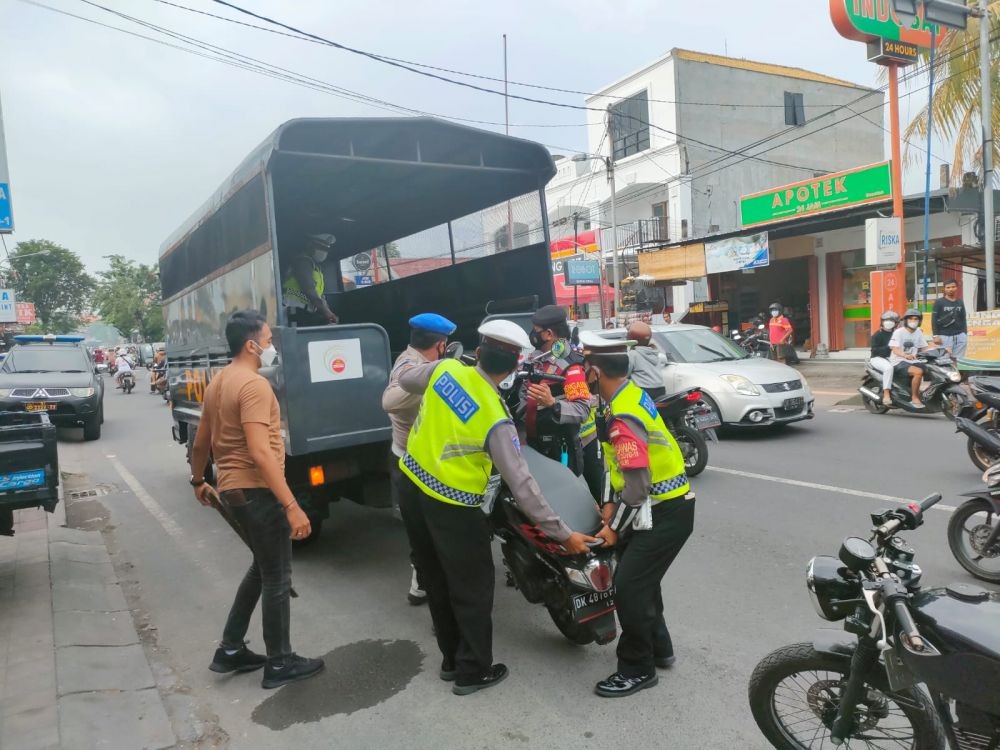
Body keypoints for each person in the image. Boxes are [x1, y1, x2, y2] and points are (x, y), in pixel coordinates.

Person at [396, 320, 598, 696]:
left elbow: (406, 382)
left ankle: (451, 660)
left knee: (435, 577)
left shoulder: (446, 369)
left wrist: (447, 363)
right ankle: (473, 671)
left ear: (478, 349)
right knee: (471, 587)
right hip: (453, 504)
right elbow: (524, 486)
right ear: (514, 363)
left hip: (411, 485)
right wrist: (563, 533)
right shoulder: (494, 417)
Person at [189, 311, 324, 689]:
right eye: (267, 340)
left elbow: (201, 441)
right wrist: (291, 505)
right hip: (257, 491)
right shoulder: (253, 385)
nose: (271, 347)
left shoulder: (219, 381)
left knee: (261, 570)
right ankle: (280, 662)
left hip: (233, 489)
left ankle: (230, 649)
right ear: (251, 345)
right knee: (278, 578)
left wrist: (199, 479)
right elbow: (260, 451)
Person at [580, 332, 695, 698]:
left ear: (596, 372)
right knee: (642, 582)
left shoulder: (623, 415)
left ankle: (636, 669)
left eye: (585, 367)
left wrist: (613, 527)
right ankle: (660, 648)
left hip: (665, 512)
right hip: (661, 509)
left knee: (629, 588)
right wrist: (608, 502)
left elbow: (637, 488)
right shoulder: (620, 398)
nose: (581, 373)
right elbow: (611, 463)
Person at [381, 312, 457, 606]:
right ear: (440, 344)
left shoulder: (419, 361)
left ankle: (423, 580)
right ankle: (425, 583)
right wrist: (437, 376)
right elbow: (390, 401)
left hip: (424, 458)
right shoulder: (409, 366)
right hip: (411, 462)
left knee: (425, 526)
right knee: (424, 527)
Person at [523, 305, 592, 475]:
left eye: (536, 331)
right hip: (534, 444)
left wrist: (553, 403)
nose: (532, 335)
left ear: (548, 334)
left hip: (559, 449)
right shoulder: (537, 357)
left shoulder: (571, 365)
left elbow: (583, 409)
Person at [282, 234, 339, 327]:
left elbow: (319, 295)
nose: (324, 251)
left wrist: (328, 312)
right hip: (293, 312)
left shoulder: (316, 267)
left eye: (326, 249)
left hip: (305, 313)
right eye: (320, 247)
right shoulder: (302, 261)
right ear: (310, 246)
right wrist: (326, 312)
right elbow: (309, 289)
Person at [889, 308, 931, 409]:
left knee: (931, 369)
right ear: (906, 321)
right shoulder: (899, 332)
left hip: (913, 361)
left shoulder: (918, 332)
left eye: (916, 319)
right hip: (898, 361)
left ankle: (925, 394)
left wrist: (940, 349)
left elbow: (925, 347)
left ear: (919, 321)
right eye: (911, 319)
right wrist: (905, 355)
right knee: (918, 372)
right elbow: (894, 349)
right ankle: (915, 397)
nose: (913, 321)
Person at [626, 321, 665, 401]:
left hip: (643, 390)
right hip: (660, 390)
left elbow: (625, 373)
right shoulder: (654, 352)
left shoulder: (633, 354)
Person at [932, 279, 967, 360]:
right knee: (944, 359)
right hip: (944, 336)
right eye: (948, 287)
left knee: (958, 360)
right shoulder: (939, 302)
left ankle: (956, 373)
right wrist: (935, 335)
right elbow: (934, 319)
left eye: (953, 287)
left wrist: (964, 334)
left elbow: (963, 318)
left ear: (957, 288)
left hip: (959, 336)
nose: (951, 289)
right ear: (944, 289)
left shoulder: (960, 302)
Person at [869, 311, 899, 406]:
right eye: (886, 320)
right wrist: (889, 347)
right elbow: (874, 350)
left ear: (896, 323)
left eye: (891, 320)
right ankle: (886, 394)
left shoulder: (897, 334)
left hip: (893, 358)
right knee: (888, 368)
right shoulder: (877, 334)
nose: (889, 322)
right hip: (877, 358)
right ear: (882, 322)